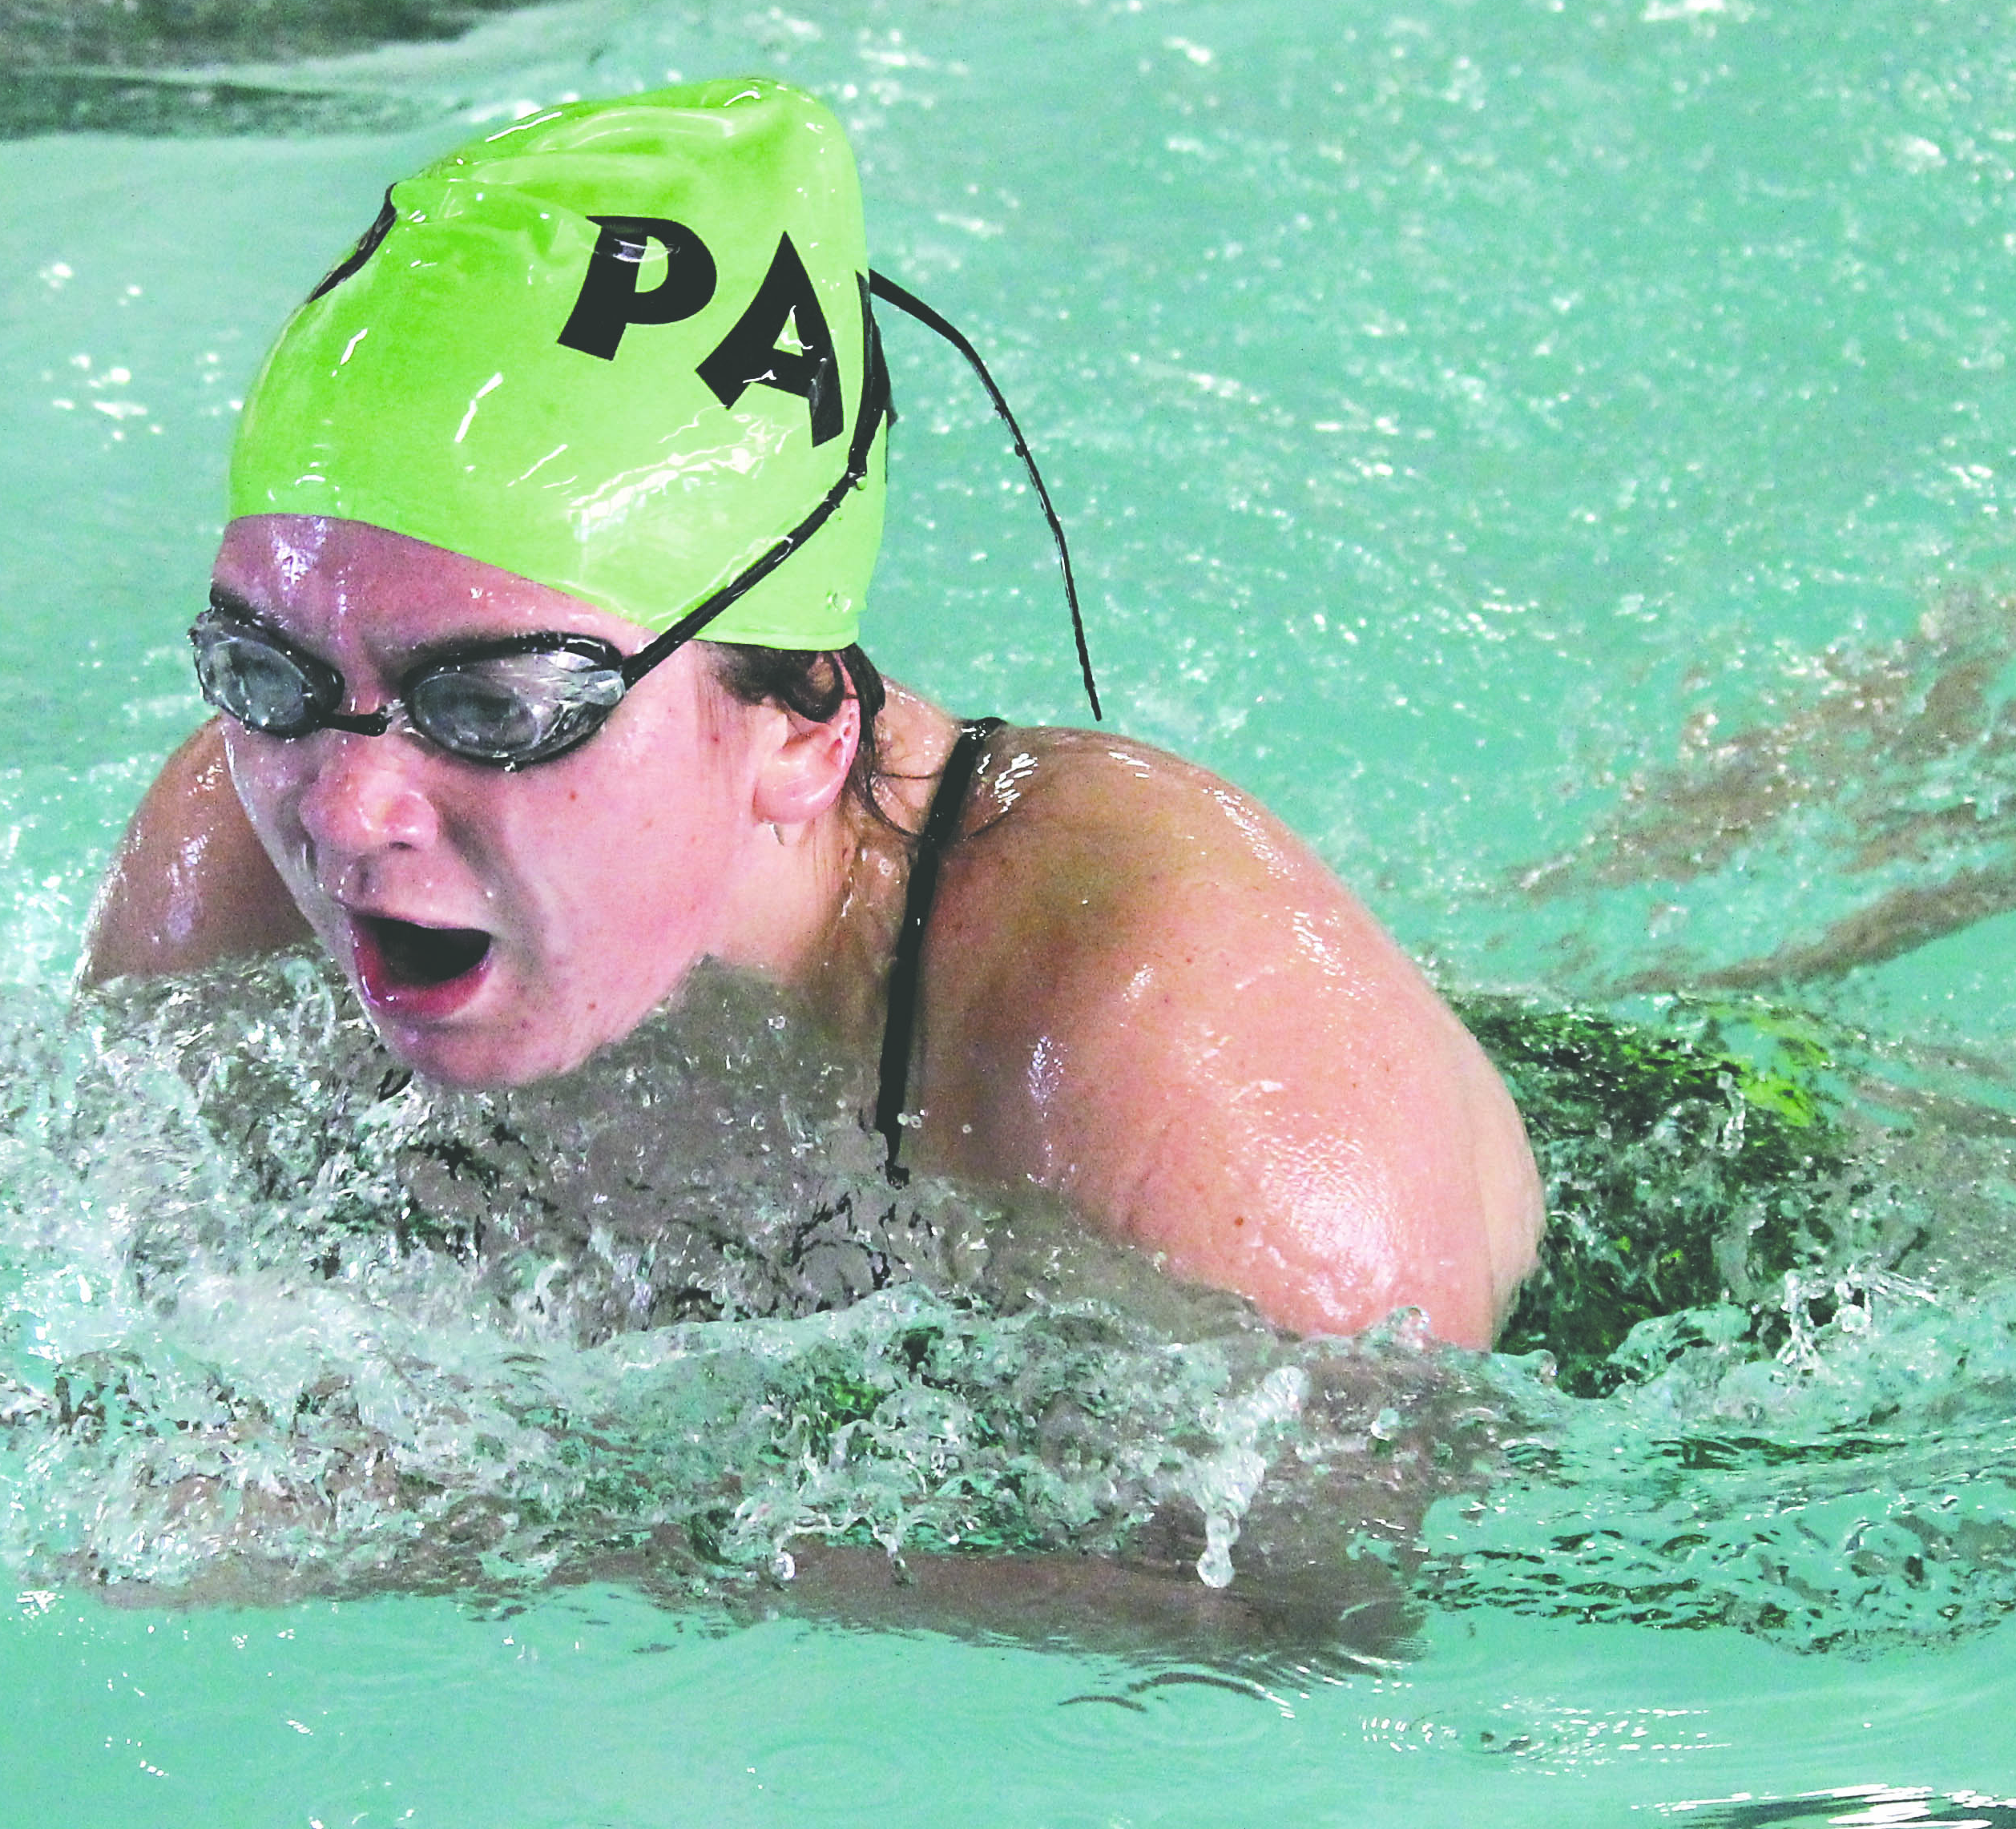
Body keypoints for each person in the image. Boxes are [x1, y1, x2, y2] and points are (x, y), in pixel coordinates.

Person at [82, 77, 1542, 1349]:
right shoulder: (235, 841)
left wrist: (486, 1526)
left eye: (496, 704)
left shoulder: (1186, 1057)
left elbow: (1329, 1591)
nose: (341, 808)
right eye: (268, 669)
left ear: (802, 728)